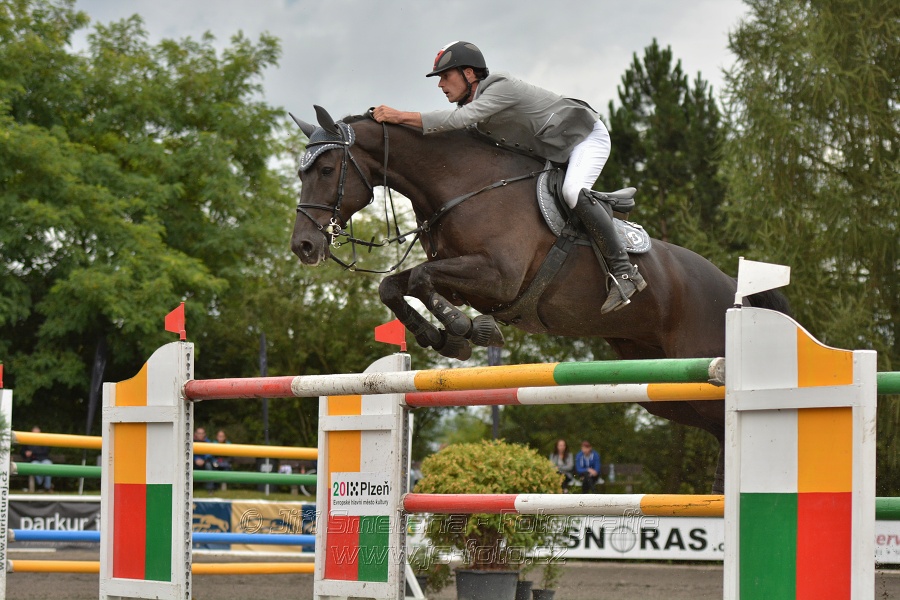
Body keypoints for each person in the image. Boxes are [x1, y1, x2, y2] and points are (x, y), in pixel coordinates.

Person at [373, 41, 646, 313]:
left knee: (572, 192)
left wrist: (400, 116)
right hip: (553, 154)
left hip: (585, 138)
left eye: (445, 76)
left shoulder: (499, 85)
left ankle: (625, 273)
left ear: (469, 74)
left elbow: (457, 122)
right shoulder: (473, 110)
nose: (440, 85)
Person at [22, 425, 53, 492]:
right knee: (34, 466)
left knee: (48, 466)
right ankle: (40, 484)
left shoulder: (44, 440)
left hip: (44, 460)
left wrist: (32, 452)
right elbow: (22, 451)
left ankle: (47, 487)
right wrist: (25, 453)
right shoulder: (28, 441)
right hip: (34, 461)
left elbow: (45, 451)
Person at [193, 427, 215, 492]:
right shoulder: (190, 442)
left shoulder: (208, 442)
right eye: (199, 433)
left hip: (205, 462)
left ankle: (210, 489)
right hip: (193, 462)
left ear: (204, 434)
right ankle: (188, 488)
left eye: (202, 433)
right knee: (188, 467)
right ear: (195, 434)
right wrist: (196, 459)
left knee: (209, 466)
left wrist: (204, 460)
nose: (201, 435)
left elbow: (210, 454)